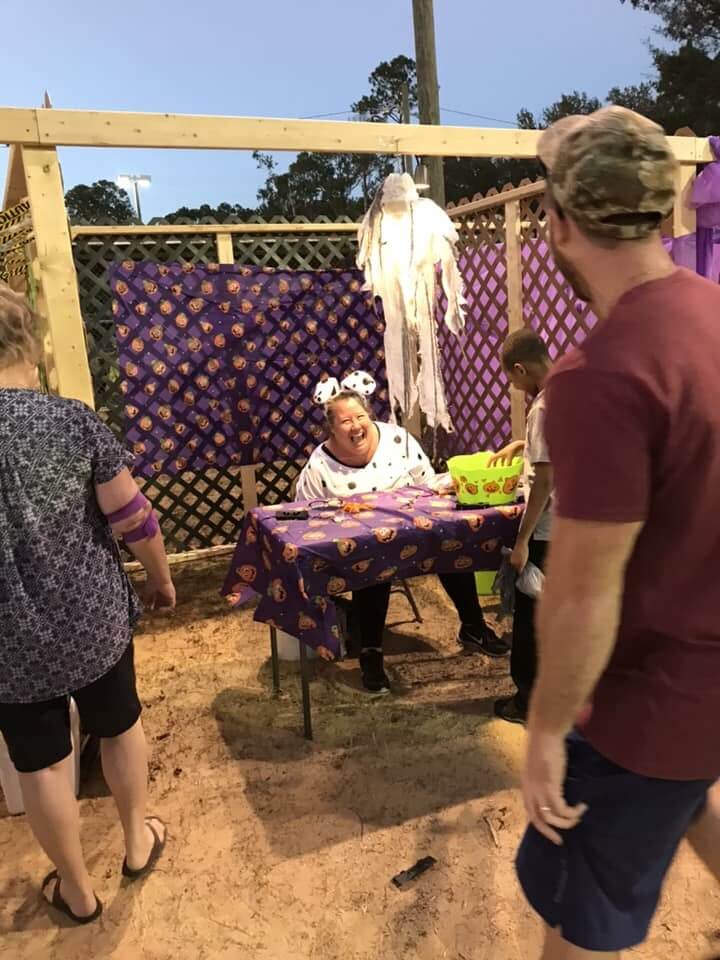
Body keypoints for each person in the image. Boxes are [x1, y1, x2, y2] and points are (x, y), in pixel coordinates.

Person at [516, 107, 720, 959]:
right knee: (688, 798)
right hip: (702, 693)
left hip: (645, 705)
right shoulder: (711, 311)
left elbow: (582, 595)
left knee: (581, 915)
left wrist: (542, 732)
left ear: (559, 222)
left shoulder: (598, 376)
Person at [0, 285, 175, 925]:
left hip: (7, 642)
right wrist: (160, 578)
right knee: (120, 723)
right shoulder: (72, 422)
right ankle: (136, 843)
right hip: (92, 619)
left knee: (42, 762)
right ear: (32, 342)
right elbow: (134, 519)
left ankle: (76, 893)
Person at [296, 387, 508, 693]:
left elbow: (427, 484)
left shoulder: (397, 440)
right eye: (345, 421)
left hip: (415, 532)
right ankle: (371, 652)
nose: (356, 426)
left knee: (451, 542)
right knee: (373, 559)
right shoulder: (320, 465)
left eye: (360, 417)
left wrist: (446, 485)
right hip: (360, 548)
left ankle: (473, 626)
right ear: (331, 428)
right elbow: (308, 513)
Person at [489, 330, 553, 725]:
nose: (514, 386)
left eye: (512, 379)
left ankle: (528, 701)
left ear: (520, 368)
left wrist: (523, 541)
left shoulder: (543, 408)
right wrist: (522, 444)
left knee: (531, 620)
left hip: (549, 529)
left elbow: (544, 481)